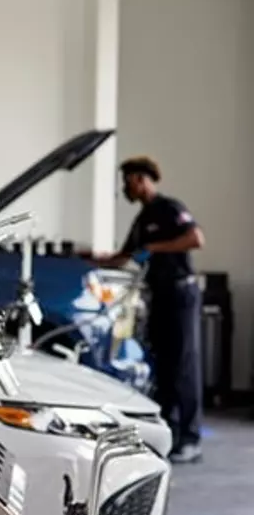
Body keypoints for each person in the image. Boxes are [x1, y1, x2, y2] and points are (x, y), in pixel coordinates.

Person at [87, 155, 205, 463]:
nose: (125, 189)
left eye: (127, 182)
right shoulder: (142, 219)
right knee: (164, 365)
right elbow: (125, 256)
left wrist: (154, 248)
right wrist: (90, 258)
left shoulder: (169, 208)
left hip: (181, 293)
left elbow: (195, 238)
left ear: (140, 180)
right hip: (160, 296)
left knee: (183, 364)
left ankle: (191, 439)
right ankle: (171, 434)